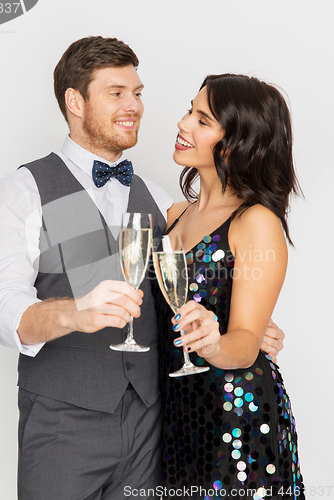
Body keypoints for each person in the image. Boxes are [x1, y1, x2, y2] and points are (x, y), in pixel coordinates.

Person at [0, 37, 285, 500]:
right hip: (64, 428)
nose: (135, 106)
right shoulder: (25, 189)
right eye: (116, 93)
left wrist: (243, 327)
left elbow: (207, 266)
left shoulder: (162, 199)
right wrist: (71, 313)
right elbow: (2, 309)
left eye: (138, 93)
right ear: (75, 101)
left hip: (155, 430)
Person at [156, 74, 304, 499]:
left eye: (202, 120)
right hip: (178, 412)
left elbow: (245, 342)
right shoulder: (172, 214)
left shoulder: (255, 221)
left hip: (235, 418)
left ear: (236, 143)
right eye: (190, 111)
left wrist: (213, 342)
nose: (183, 124)